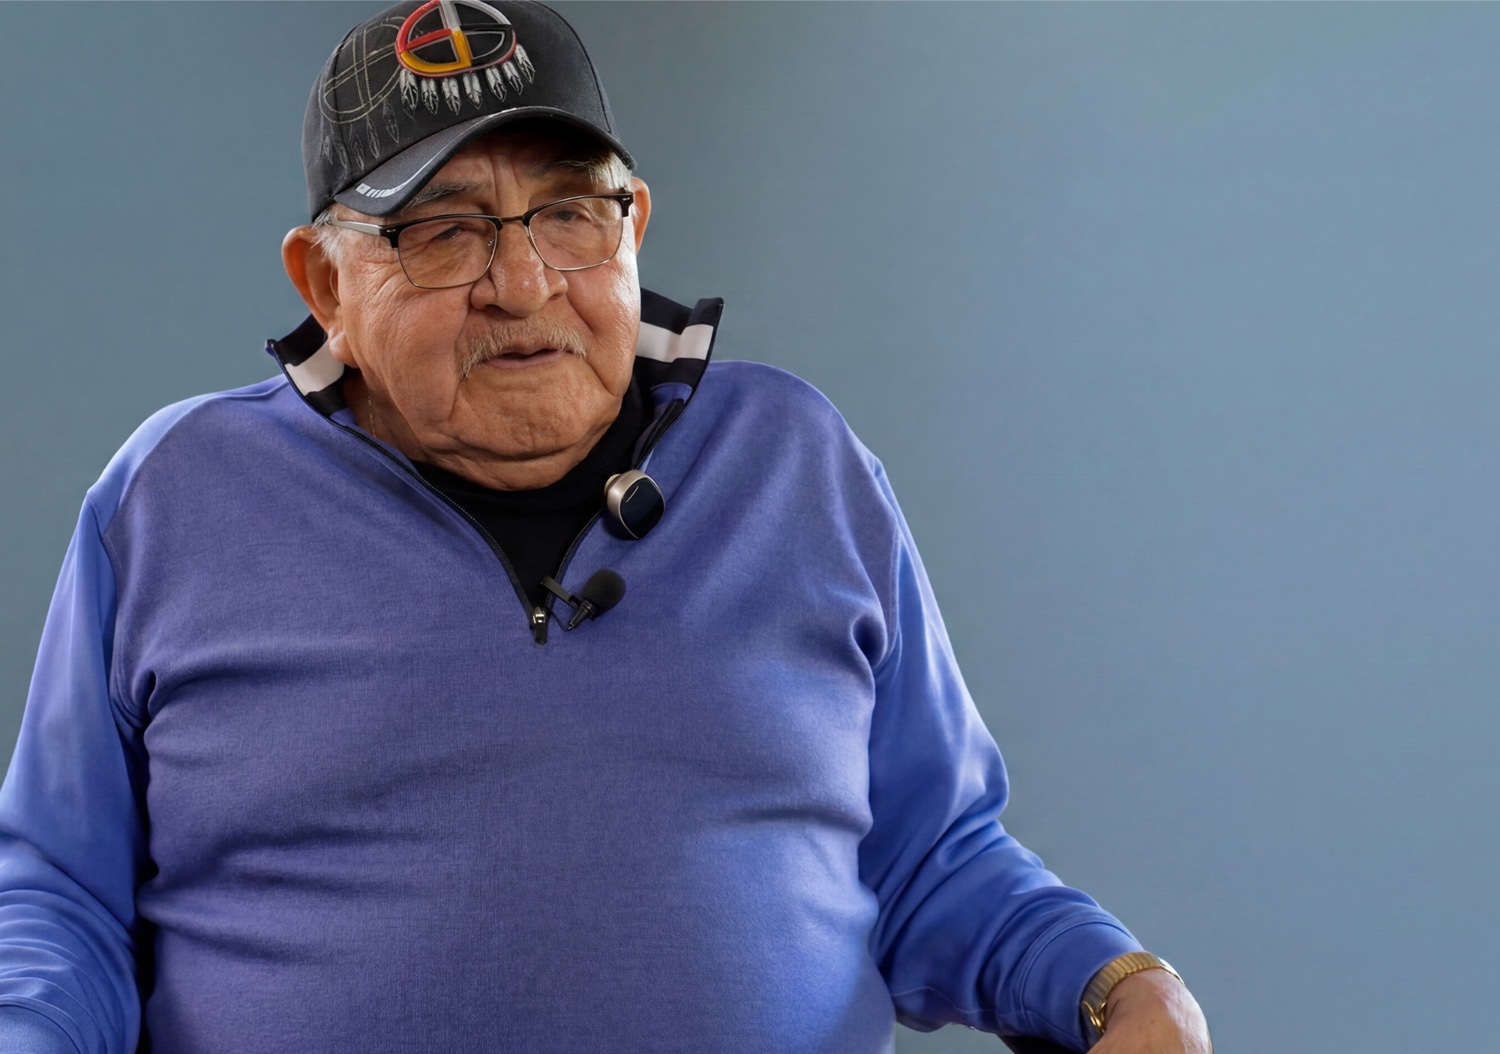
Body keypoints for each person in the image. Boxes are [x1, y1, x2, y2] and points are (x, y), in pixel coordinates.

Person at [0, 3, 1211, 1052]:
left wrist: (1119, 983)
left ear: (632, 229)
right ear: (324, 282)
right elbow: (56, 894)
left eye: (569, 215)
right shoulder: (173, 496)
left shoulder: (799, 462)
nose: (522, 285)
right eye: (445, 230)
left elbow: (933, 859)